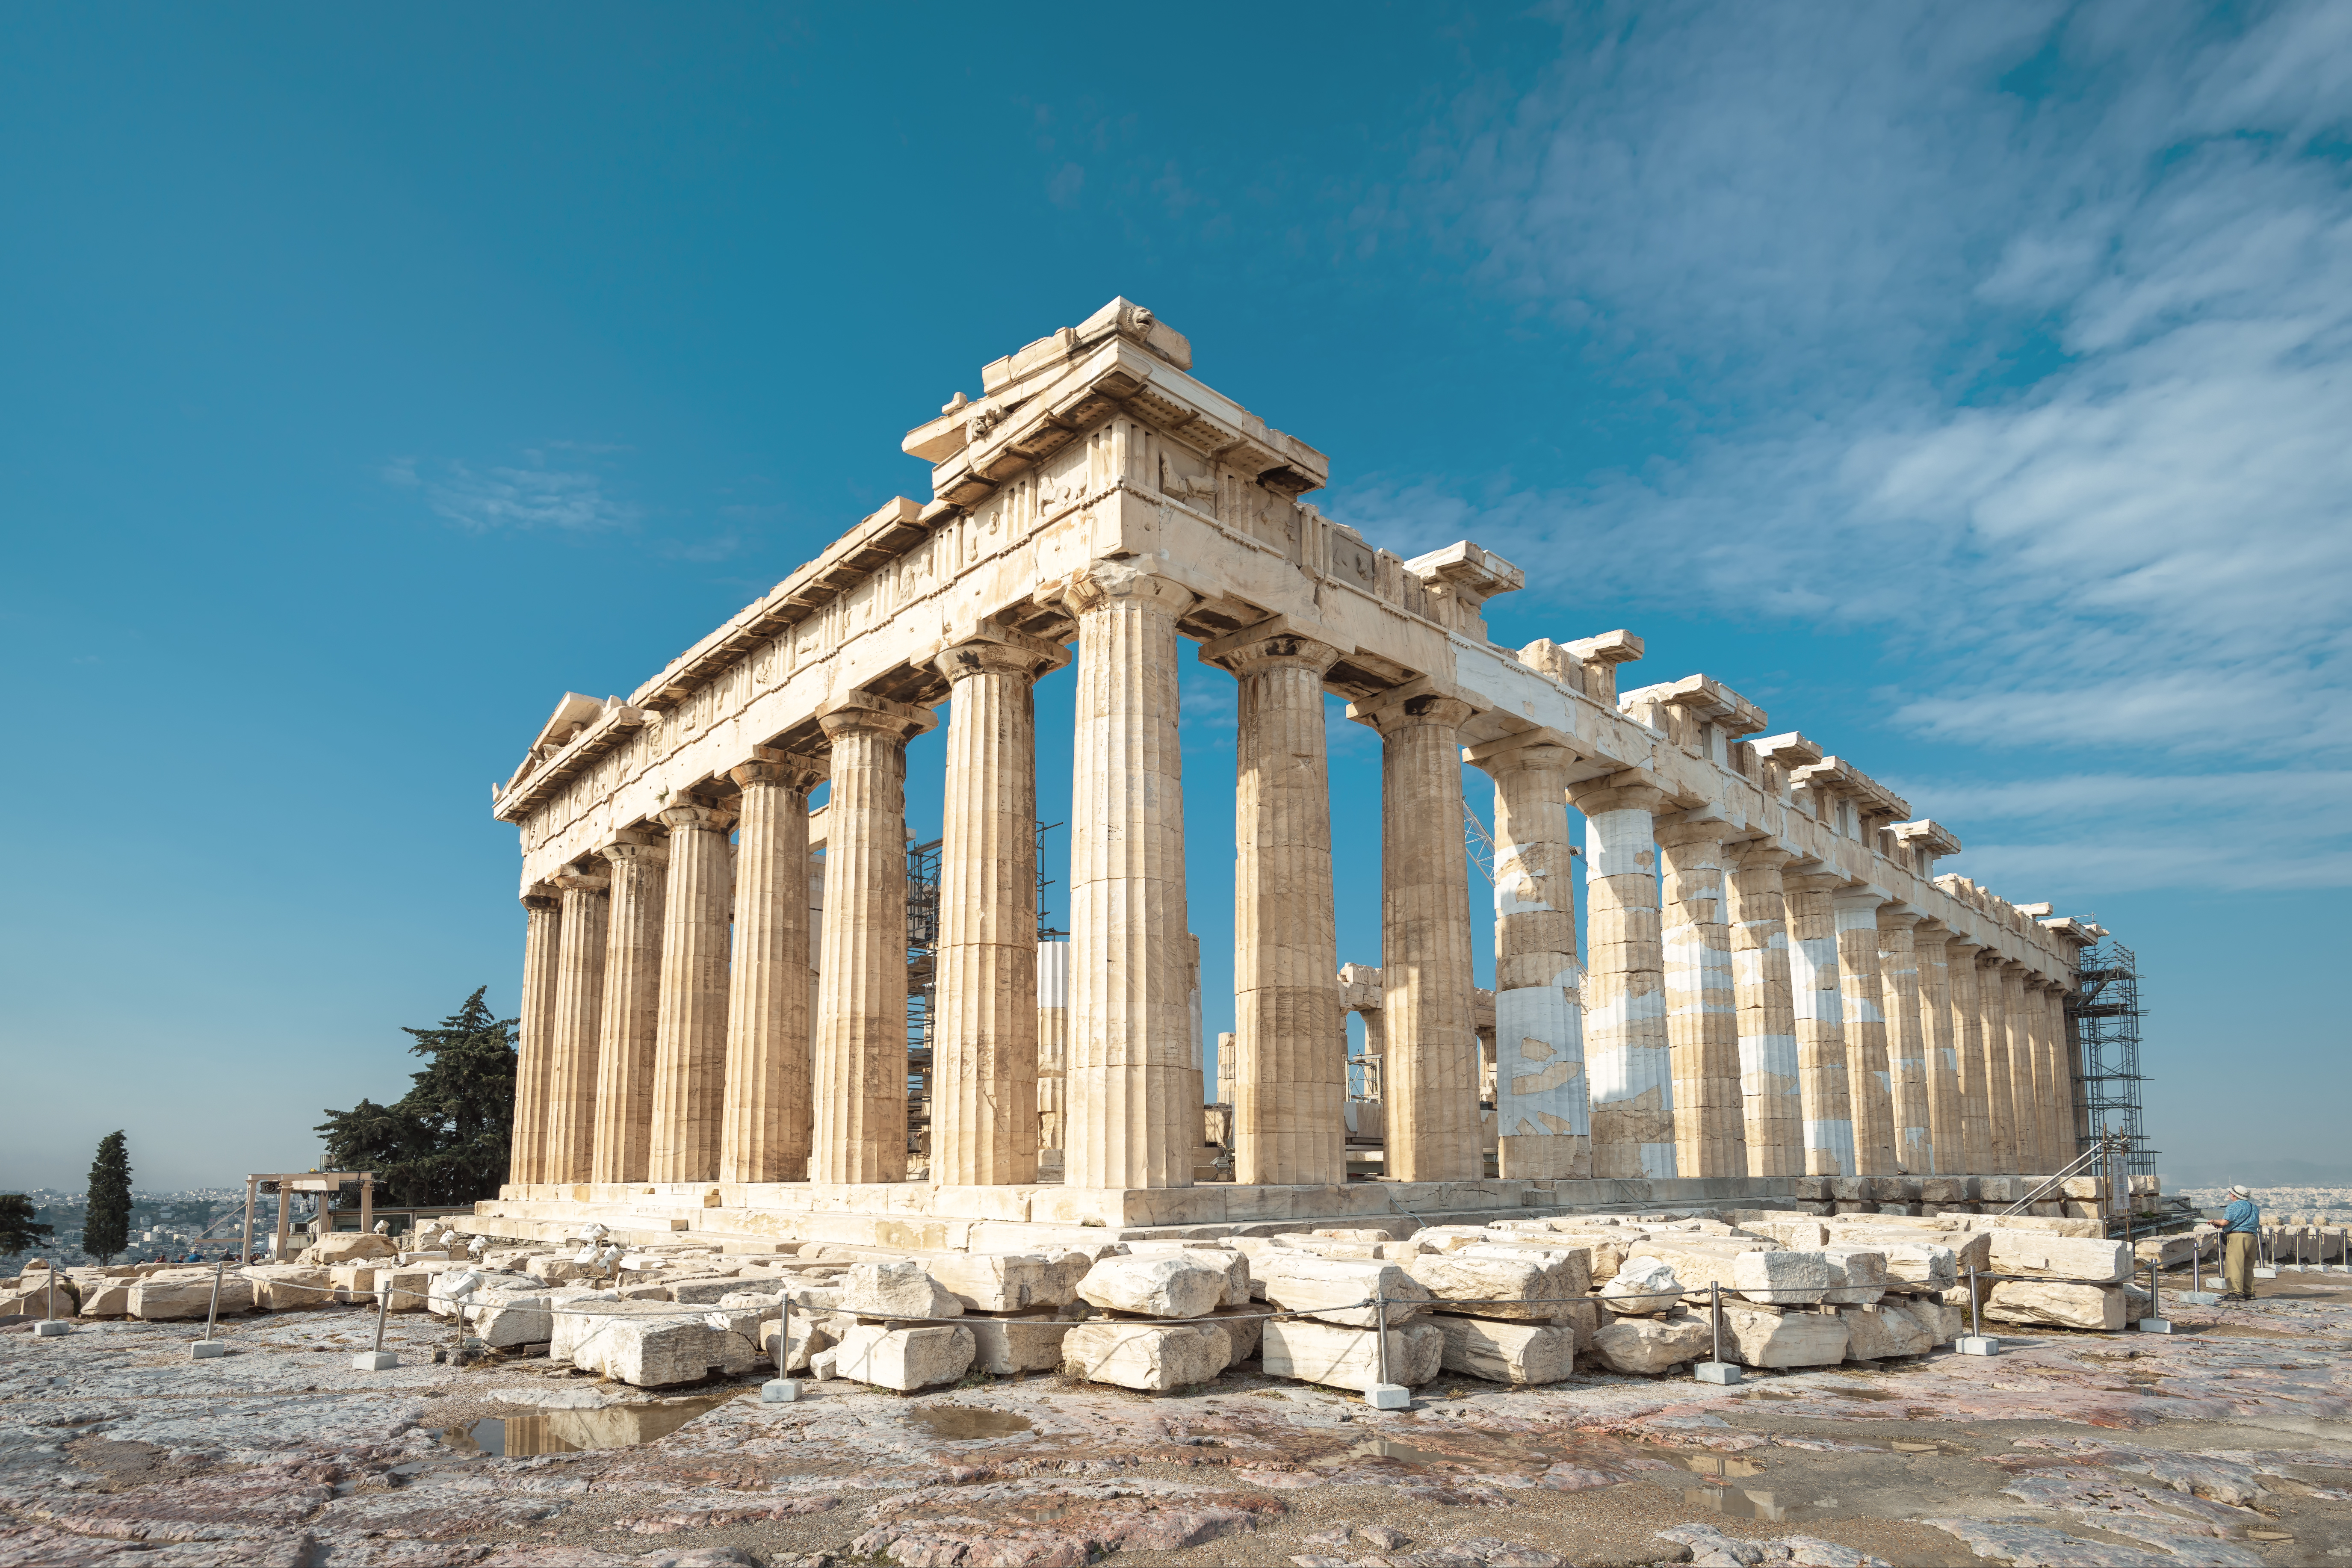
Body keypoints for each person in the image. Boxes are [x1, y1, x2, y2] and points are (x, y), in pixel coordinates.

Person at [2210, 1184, 2261, 1300]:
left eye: (2230, 1193)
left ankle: (2236, 1292)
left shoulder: (2234, 1206)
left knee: (2235, 1265)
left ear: (2233, 1195)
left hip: (2238, 1237)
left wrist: (2214, 1221)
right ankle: (2249, 1292)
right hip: (2252, 1237)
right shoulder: (2254, 1207)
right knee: (2248, 1266)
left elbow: (2224, 1222)